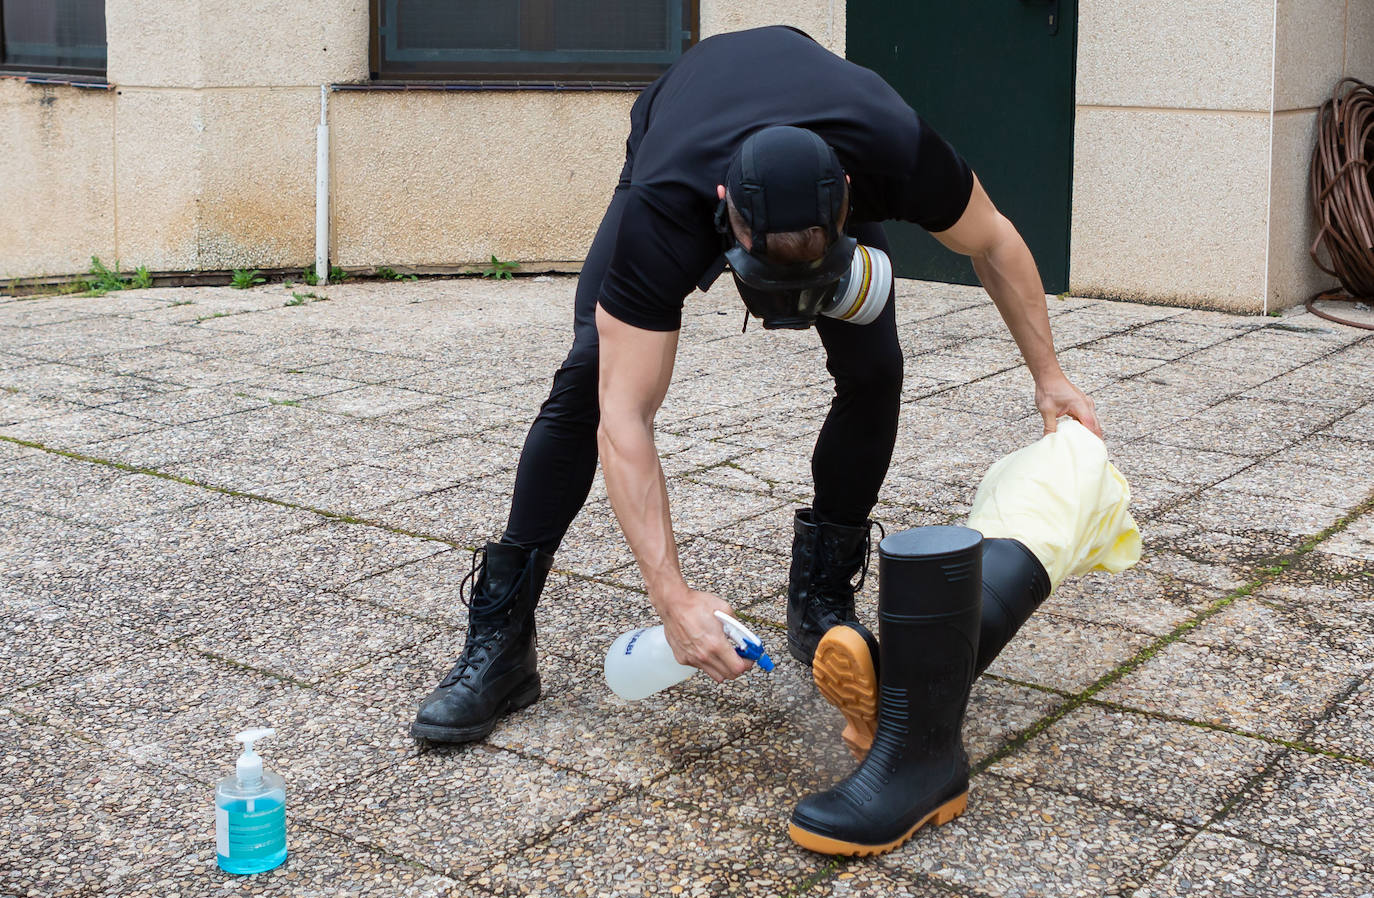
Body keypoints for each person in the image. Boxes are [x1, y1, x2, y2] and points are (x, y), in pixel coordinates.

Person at [409, 25, 1101, 747]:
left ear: (849, 205)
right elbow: (626, 419)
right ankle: (500, 640)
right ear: (725, 216)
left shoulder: (892, 145)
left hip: (820, 153)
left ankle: (822, 598)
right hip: (684, 123)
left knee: (875, 372)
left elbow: (992, 238)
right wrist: (670, 598)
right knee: (588, 382)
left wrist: (1049, 378)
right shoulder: (668, 203)